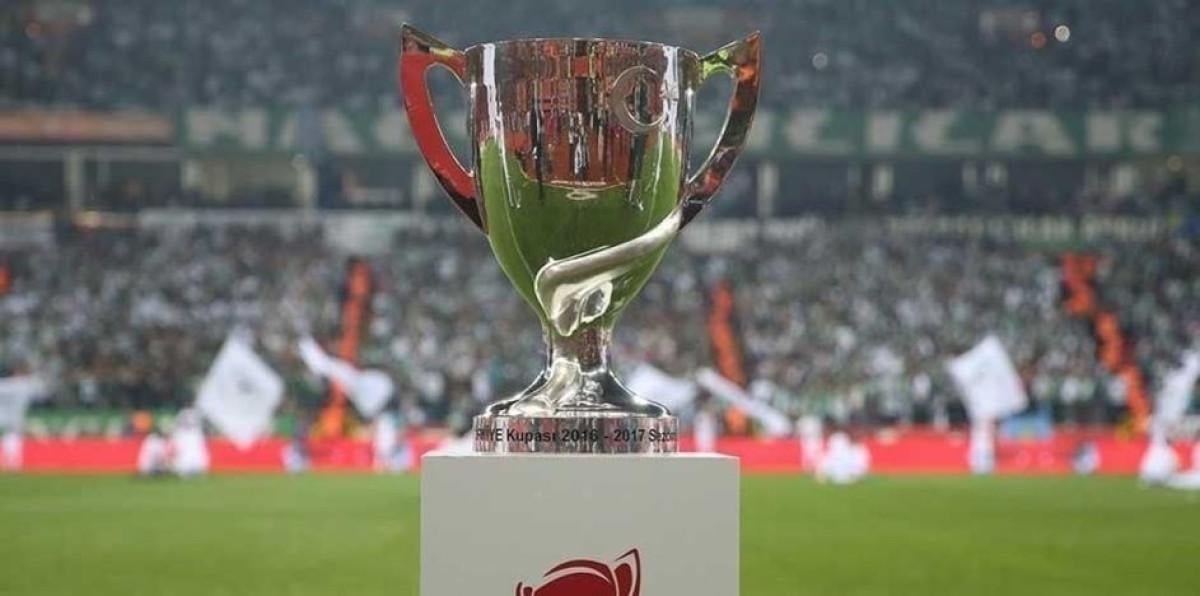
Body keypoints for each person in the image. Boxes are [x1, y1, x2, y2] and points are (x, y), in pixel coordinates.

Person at [170, 409, 210, 477]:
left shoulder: (192, 415)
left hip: (191, 436)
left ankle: (194, 470)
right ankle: (186, 470)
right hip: (186, 436)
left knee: (195, 454)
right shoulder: (183, 414)